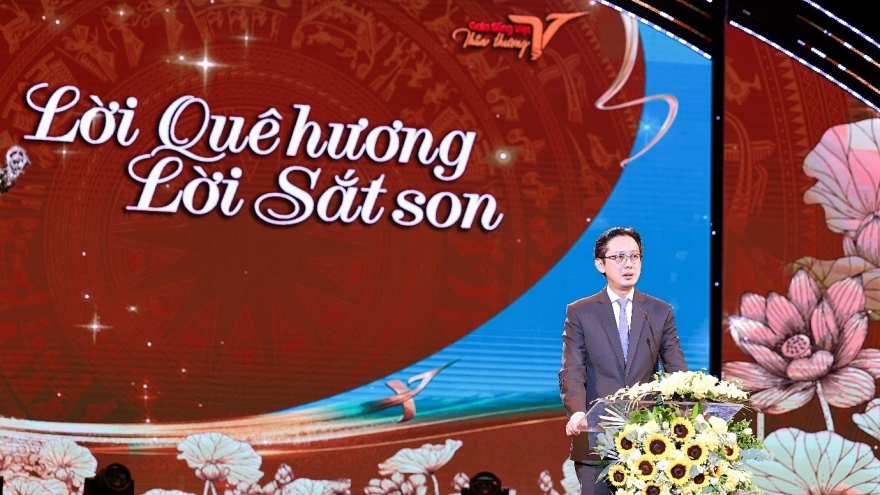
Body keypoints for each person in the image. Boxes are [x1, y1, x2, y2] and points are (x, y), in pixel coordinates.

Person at [559, 226, 687, 495]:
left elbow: (677, 372)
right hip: (596, 438)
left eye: (634, 256)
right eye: (618, 257)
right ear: (600, 264)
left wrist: (687, 411)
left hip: (649, 443)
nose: (628, 264)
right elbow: (572, 369)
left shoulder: (659, 312)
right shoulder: (580, 312)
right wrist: (578, 412)